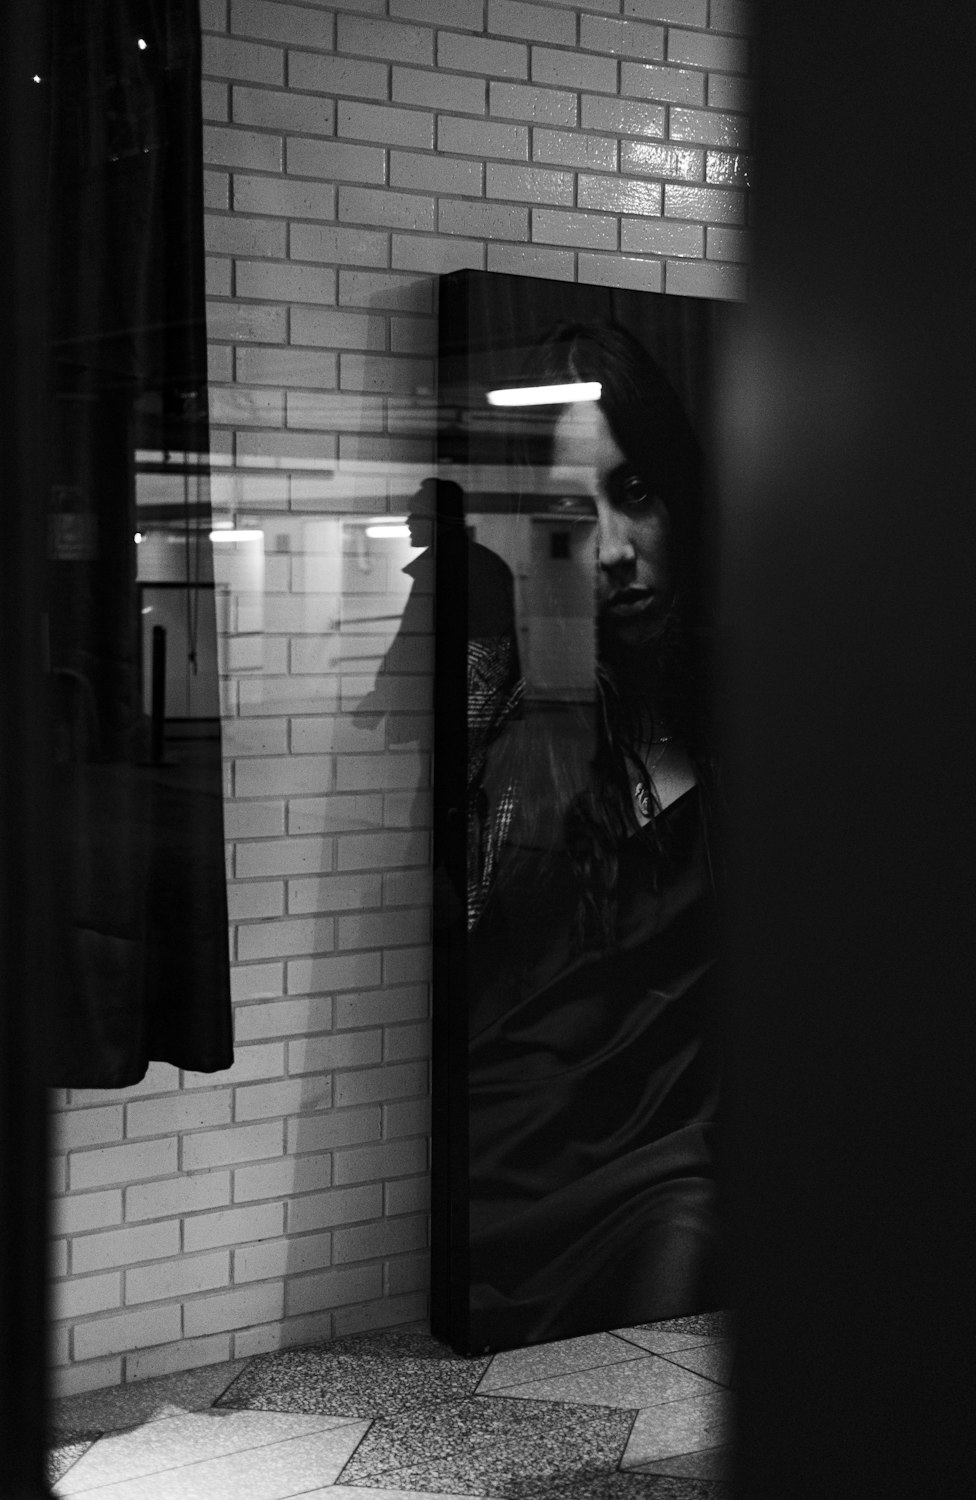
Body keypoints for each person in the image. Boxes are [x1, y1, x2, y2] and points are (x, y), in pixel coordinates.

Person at [465, 320, 722, 1350]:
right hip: (519, 1171)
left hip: (682, 1172)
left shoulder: (762, 721)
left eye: (636, 495)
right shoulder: (519, 740)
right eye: (576, 516)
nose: (613, 553)